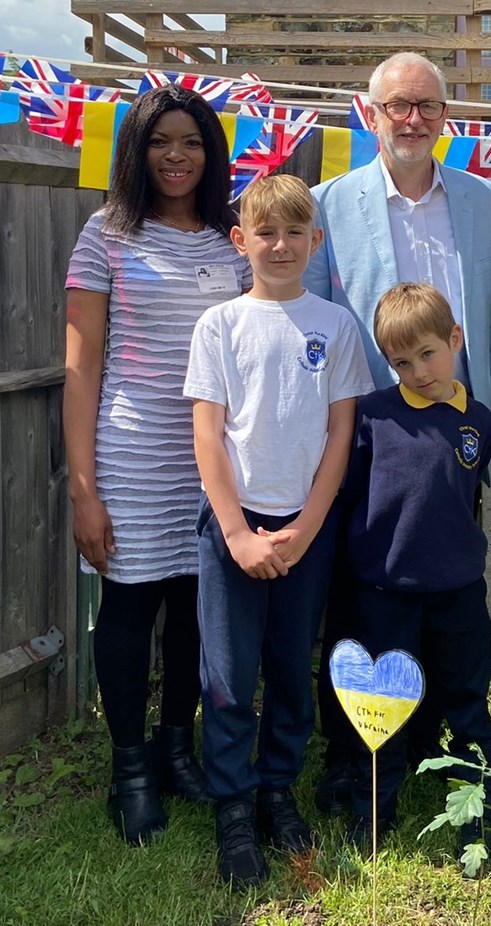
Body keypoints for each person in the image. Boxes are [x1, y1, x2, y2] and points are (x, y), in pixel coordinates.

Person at [305, 51, 491, 815]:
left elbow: (488, 321)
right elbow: (320, 329)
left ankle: (438, 752)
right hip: (366, 437)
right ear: (370, 114)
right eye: (398, 106)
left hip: (455, 433)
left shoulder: (487, 204)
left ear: (446, 117)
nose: (412, 119)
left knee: (449, 597)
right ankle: (352, 761)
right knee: (365, 609)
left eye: (426, 105)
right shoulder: (331, 202)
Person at [64, 85, 249, 846]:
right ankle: (130, 770)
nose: (177, 156)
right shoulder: (105, 236)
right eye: (160, 142)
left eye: (193, 143)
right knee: (131, 610)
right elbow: (80, 369)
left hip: (215, 460)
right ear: (136, 151)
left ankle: (178, 747)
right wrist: (83, 491)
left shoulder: (229, 239)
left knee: (194, 618)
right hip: (132, 458)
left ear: (212, 155)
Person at [183, 175, 373, 888]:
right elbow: (206, 434)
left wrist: (307, 526)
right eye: (266, 232)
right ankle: (232, 806)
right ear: (241, 241)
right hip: (232, 528)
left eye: (296, 232)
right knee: (230, 677)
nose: (281, 244)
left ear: (315, 242)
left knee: (293, 670)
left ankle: (275, 790)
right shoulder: (220, 326)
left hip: (306, 528)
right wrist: (237, 533)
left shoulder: (335, 325)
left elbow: (340, 431)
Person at [340, 282, 491, 854]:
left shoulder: (477, 419)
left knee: (466, 700)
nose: (419, 371)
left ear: (454, 340)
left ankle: (477, 813)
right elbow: (351, 494)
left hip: (458, 591)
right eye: (401, 362)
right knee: (381, 710)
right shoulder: (373, 418)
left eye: (428, 354)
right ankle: (373, 814)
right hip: (386, 591)